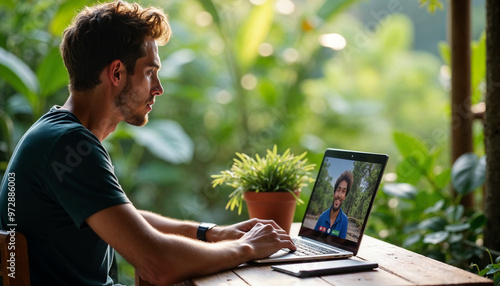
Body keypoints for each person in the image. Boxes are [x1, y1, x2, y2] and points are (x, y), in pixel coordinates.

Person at [0, 1, 296, 285]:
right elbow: (157, 265)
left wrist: (212, 234)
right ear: (116, 73)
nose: (159, 88)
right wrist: (248, 248)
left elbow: (122, 219)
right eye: (150, 73)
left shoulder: (56, 134)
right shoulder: (71, 147)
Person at [314, 170, 354, 239]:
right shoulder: (322, 216)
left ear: (345, 197)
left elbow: (341, 245)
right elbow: (312, 237)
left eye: (343, 192)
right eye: (338, 190)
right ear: (334, 192)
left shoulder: (344, 220)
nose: (339, 195)